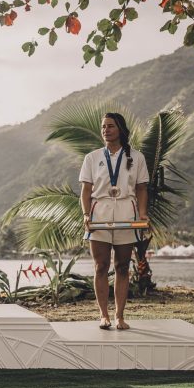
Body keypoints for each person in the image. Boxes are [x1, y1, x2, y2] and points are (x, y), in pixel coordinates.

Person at [79, 113, 149, 330]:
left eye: (110, 126)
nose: (106, 130)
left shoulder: (136, 157)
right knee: (100, 266)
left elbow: (141, 188)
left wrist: (143, 213)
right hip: (99, 214)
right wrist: (86, 215)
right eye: (103, 127)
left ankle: (119, 316)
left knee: (121, 266)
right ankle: (103, 315)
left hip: (126, 213)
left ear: (120, 129)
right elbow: (86, 190)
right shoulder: (92, 157)